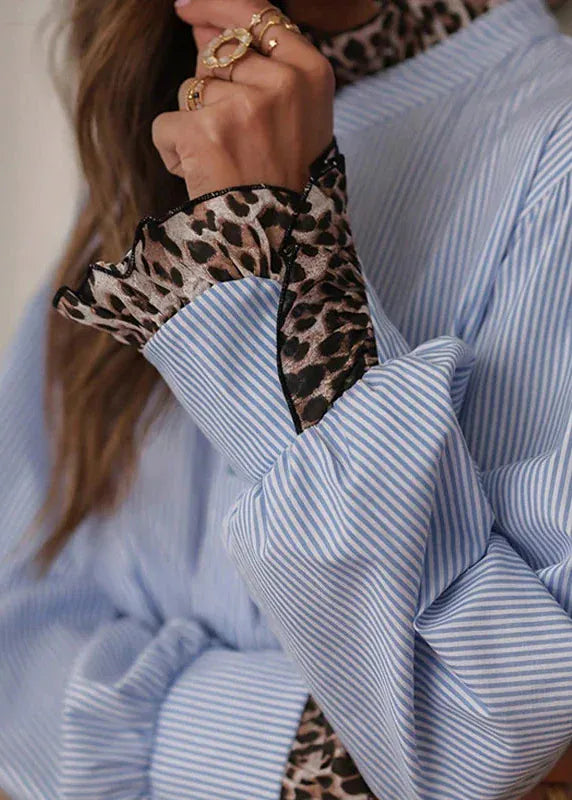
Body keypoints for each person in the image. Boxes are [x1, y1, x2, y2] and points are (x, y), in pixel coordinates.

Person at [1, 0, 572, 797]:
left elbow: (478, 722)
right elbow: (12, 625)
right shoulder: (169, 120)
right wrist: (288, 746)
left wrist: (279, 251)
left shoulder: (553, 156)